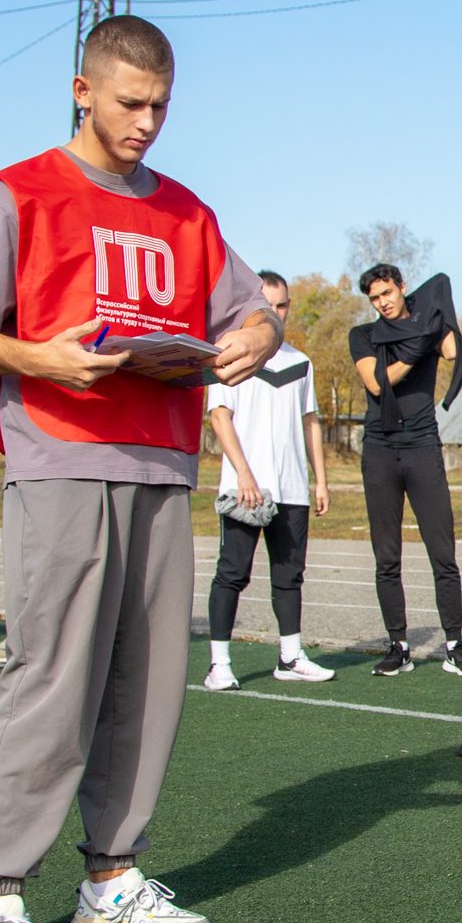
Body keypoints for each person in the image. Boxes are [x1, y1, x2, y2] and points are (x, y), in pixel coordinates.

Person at [0, 13, 278, 923]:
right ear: (83, 90)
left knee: (150, 679)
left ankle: (110, 877)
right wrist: (33, 355)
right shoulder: (19, 195)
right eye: (130, 102)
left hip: (162, 465)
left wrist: (255, 330)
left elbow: (251, 305)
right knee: (51, 673)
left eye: (161, 104)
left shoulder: (188, 212)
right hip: (62, 460)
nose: (147, 122)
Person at [201, 270, 331, 690]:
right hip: (246, 489)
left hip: (291, 487)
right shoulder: (228, 355)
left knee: (289, 575)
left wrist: (320, 481)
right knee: (232, 573)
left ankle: (290, 657)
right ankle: (219, 664)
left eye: (282, 305)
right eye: (268, 305)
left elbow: (310, 422)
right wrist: (243, 473)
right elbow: (220, 417)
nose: (276, 313)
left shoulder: (300, 363)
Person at [349, 262, 462, 678]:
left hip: (422, 446)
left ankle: (455, 643)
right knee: (387, 557)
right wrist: (417, 348)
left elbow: (453, 351)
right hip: (381, 450)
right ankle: (398, 645)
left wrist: (438, 315)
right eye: (374, 298)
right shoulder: (363, 335)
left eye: (388, 293)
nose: (382, 303)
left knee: (443, 552)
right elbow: (378, 383)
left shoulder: (426, 326)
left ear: (402, 288)